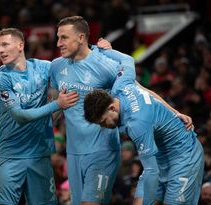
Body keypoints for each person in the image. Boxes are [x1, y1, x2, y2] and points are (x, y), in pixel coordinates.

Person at [49, 15, 139, 205]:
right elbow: (56, 107)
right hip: (73, 153)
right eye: (58, 38)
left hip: (102, 149)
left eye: (64, 37)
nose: (58, 43)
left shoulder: (106, 64)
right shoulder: (56, 67)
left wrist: (171, 110)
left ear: (81, 38)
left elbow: (136, 92)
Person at [0, 28, 79, 205]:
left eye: (5, 44)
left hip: (40, 155)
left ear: (21, 45)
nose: (0, 50)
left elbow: (72, 67)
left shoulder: (44, 67)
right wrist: (56, 105)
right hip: (10, 156)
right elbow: (19, 116)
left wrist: (99, 49)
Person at [83, 81, 204, 204]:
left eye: (103, 121)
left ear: (112, 108)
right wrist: (175, 112)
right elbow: (145, 90)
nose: (103, 127)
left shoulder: (137, 124)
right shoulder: (122, 85)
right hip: (159, 157)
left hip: (184, 156)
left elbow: (151, 171)